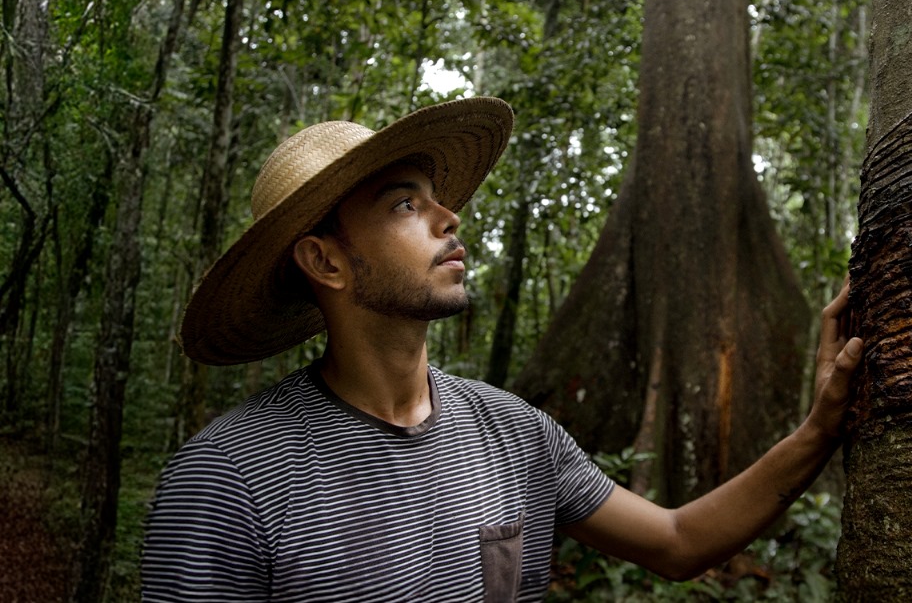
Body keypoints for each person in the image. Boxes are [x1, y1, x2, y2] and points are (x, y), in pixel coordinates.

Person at [141, 97, 865, 602]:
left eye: (436, 198)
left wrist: (819, 430)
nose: (449, 217)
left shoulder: (515, 435)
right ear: (325, 263)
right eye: (404, 204)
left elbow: (676, 541)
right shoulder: (227, 480)